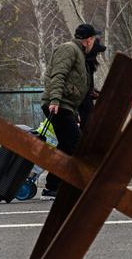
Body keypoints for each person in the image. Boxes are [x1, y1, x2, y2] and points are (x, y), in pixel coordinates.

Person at [40, 23, 100, 200]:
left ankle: (52, 187)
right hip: (58, 106)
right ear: (89, 40)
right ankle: (85, 186)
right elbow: (58, 74)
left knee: (65, 148)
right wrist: (55, 100)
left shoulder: (79, 53)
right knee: (77, 145)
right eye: (94, 39)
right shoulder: (69, 49)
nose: (94, 43)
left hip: (66, 106)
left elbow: (74, 81)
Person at [78, 38, 106, 130]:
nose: (97, 55)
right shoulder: (86, 64)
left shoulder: (88, 64)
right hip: (82, 107)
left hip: (85, 105)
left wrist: (93, 92)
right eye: (96, 52)